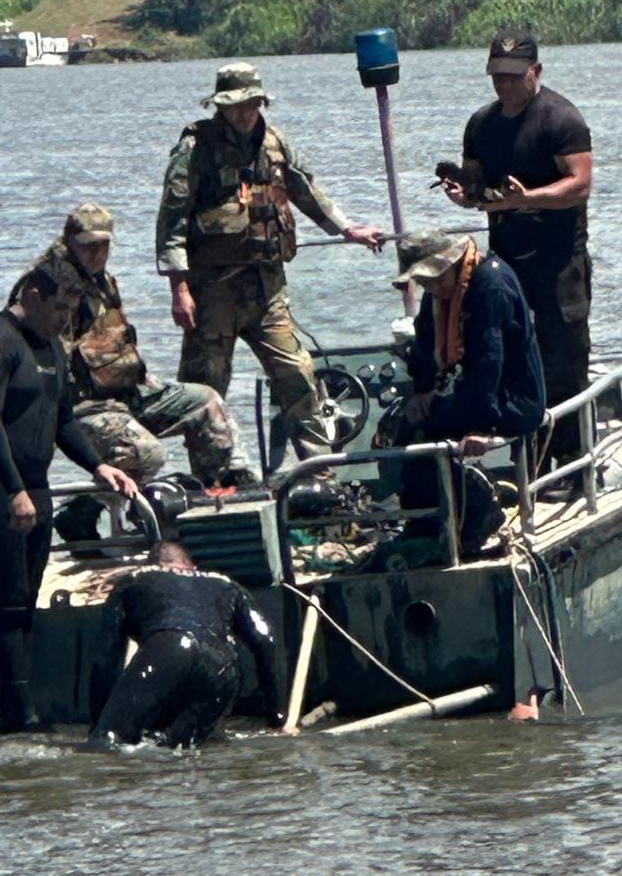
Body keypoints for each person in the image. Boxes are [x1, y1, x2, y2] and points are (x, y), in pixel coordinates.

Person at [156, 61, 388, 462]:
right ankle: (212, 478)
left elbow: (306, 191)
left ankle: (319, 470)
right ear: (220, 106)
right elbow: (172, 221)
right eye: (235, 105)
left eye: (251, 104)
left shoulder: (275, 143)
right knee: (205, 388)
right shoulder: (195, 149)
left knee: (297, 374)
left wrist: (348, 229)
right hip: (211, 292)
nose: (244, 113)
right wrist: (179, 289)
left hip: (267, 288)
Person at [0, 267, 137, 733]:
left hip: (34, 486)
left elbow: (63, 421)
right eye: (58, 308)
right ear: (32, 296)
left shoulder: (51, 346)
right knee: (10, 601)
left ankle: (20, 707)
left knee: (28, 599)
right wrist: (14, 490)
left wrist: (97, 465)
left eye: (70, 311)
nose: (64, 320)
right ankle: (16, 714)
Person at [442, 29, 592, 467]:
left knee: (562, 359)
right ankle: (525, 461)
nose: (504, 84)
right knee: (508, 357)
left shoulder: (560, 119)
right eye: (497, 75)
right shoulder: (481, 124)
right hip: (505, 262)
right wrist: (464, 194)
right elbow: (476, 182)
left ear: (535, 71)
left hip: (558, 260)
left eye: (513, 75)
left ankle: (573, 461)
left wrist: (528, 198)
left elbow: (581, 184)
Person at [32, 203, 249, 489]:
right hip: (87, 406)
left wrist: (140, 378)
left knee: (206, 402)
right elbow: (46, 364)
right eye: (88, 246)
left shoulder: (101, 280)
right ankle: (86, 509)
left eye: (103, 245)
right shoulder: (53, 288)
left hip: (128, 393)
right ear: (69, 241)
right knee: (145, 453)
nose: (97, 254)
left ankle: (226, 487)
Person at [383, 231, 546, 553]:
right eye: (422, 281)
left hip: (512, 399)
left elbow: (489, 362)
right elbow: (425, 347)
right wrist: (421, 393)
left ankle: (478, 509)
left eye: (432, 278)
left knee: (427, 434)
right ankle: (424, 519)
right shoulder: (439, 294)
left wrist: (482, 426)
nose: (430, 287)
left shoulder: (490, 286)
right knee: (400, 429)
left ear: (452, 264)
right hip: (468, 391)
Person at [89, 542, 287, 748]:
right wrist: (277, 714)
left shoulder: (133, 580)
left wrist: (99, 725)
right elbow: (265, 642)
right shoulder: (226, 584)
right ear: (191, 565)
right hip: (223, 667)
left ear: (154, 564)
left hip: (169, 648)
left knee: (109, 742)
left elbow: (105, 657)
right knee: (184, 748)